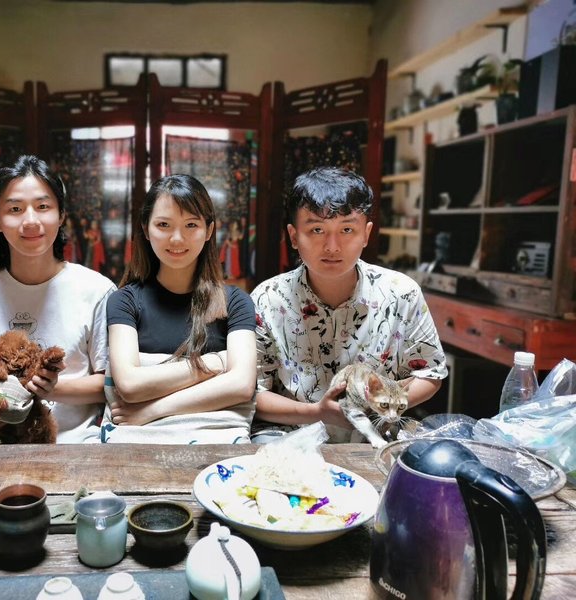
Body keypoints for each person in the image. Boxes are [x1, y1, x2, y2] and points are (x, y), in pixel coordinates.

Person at [250, 167, 447, 443]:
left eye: (347, 229)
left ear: (366, 234)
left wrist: (373, 406)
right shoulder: (267, 299)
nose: (332, 246)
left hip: (374, 434)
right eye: (317, 229)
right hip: (290, 435)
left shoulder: (402, 293)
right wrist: (317, 412)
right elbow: (250, 392)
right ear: (293, 236)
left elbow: (430, 373)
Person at [0, 155, 116, 443]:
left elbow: (108, 383)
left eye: (43, 207)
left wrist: (51, 389)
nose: (31, 221)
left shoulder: (96, 290)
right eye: (15, 209)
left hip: (75, 445)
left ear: (61, 214)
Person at [101, 174, 257, 444]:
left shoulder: (235, 302)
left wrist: (151, 410)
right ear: (146, 229)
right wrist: (216, 362)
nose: (176, 238)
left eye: (191, 225)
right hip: (138, 449)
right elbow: (129, 385)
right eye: (163, 225)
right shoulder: (124, 300)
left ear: (209, 231)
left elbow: (242, 385)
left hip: (217, 446)